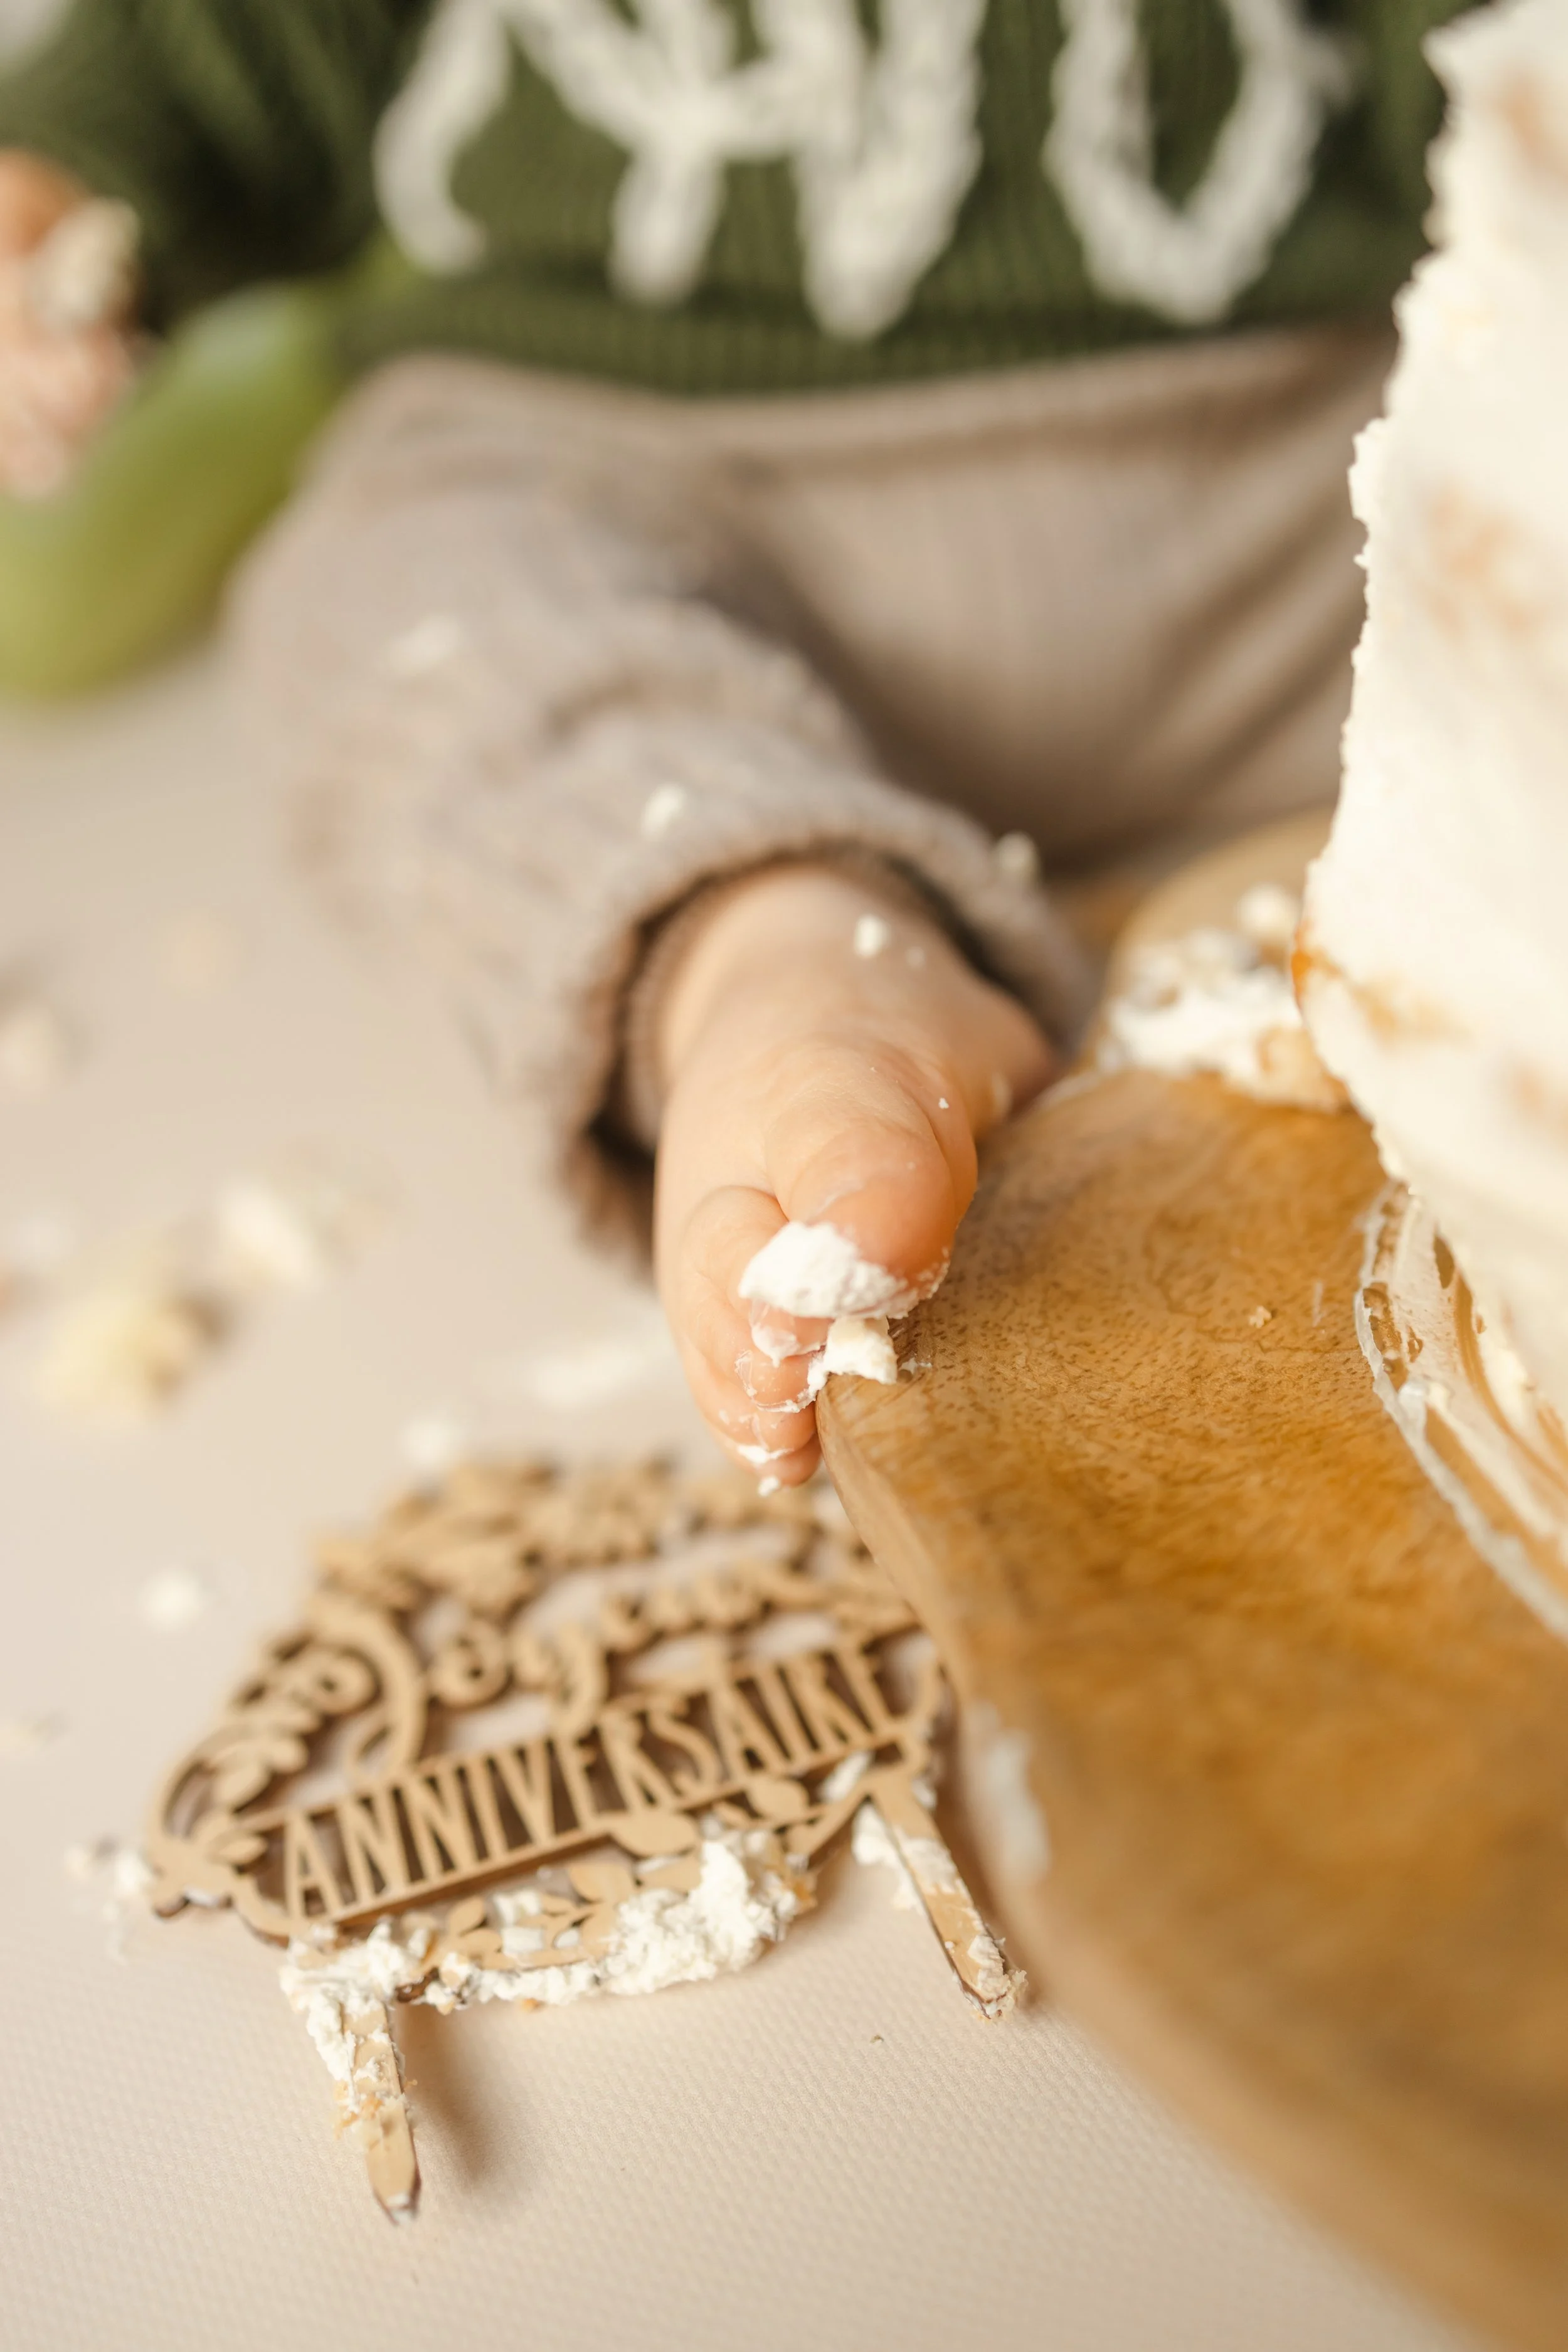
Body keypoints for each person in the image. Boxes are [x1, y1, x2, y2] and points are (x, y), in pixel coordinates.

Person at [0, 0, 1465, 1483]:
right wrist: (52, 182)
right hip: (653, 465)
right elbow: (235, 39)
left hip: (1300, 494)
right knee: (392, 591)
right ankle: (758, 933)